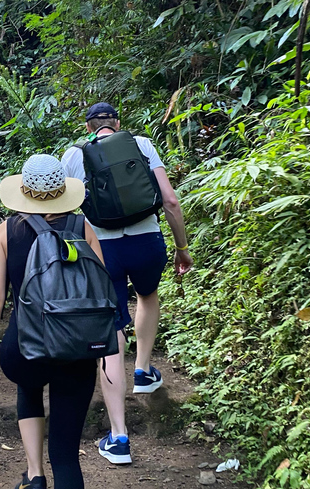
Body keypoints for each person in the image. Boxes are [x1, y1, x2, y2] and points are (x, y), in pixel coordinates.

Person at [61, 102, 193, 465]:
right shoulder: (141, 144)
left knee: (111, 329)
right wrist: (182, 248)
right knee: (147, 296)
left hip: (101, 248)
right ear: (118, 123)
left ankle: (119, 438)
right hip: (147, 241)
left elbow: (61, 210)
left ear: (88, 127)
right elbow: (170, 200)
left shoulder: (74, 154)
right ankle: (143, 370)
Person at [0, 154, 106, 489]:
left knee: (29, 380)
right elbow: (102, 289)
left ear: (24, 191)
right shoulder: (83, 228)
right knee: (65, 454)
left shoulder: (7, 231)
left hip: (24, 350)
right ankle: (53, 481)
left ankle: (34, 477)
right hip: (75, 349)